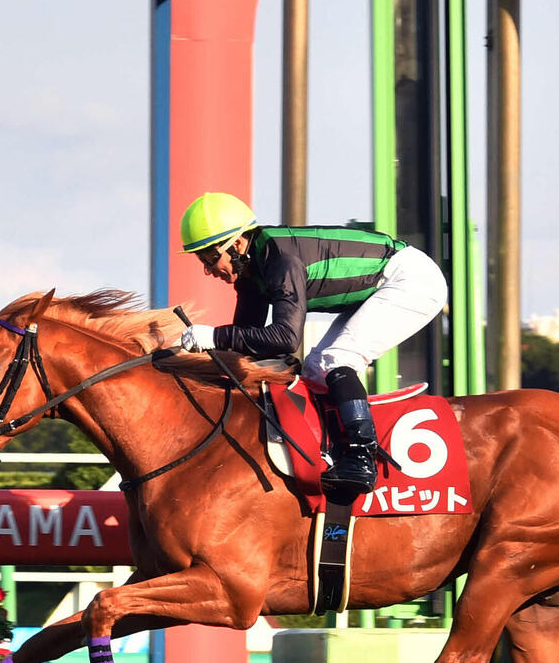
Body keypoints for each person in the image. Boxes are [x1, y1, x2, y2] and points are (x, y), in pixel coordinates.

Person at [177, 192, 448, 499]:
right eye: (203, 262)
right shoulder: (251, 272)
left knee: (337, 360)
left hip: (411, 281)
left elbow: (285, 338)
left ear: (237, 244)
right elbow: (244, 344)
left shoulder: (281, 260)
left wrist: (213, 337)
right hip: (380, 285)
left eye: (211, 258)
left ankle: (362, 457)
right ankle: (332, 450)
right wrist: (184, 357)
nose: (209, 270)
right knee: (315, 370)